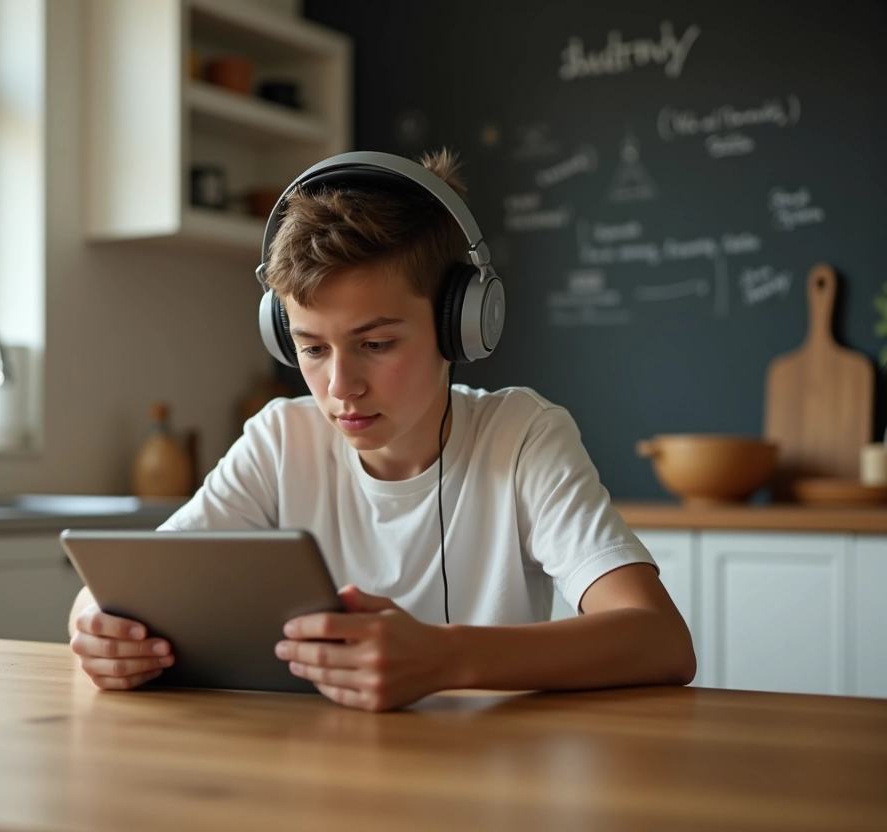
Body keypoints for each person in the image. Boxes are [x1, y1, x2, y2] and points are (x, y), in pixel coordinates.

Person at [69, 149, 696, 712]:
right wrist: (96, 622)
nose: (341, 385)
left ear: (460, 328)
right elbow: (135, 588)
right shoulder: (279, 439)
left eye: (375, 343)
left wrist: (444, 658)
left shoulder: (523, 435)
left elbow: (660, 640)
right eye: (312, 349)